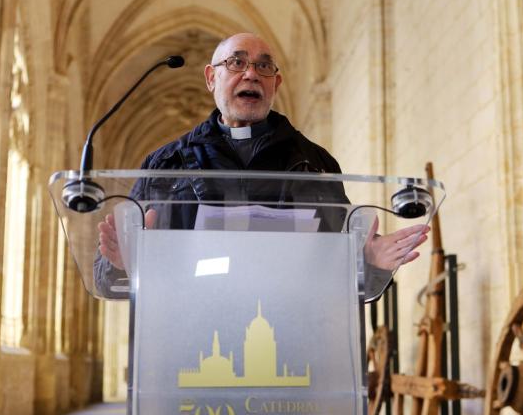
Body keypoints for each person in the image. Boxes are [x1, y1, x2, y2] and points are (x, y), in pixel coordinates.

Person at [96, 33, 428, 290]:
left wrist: (369, 262)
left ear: (275, 84)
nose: (252, 74)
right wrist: (120, 263)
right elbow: (104, 279)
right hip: (190, 347)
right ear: (211, 78)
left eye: (264, 66)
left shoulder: (314, 163)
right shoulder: (165, 165)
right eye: (237, 63)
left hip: (289, 346)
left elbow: (341, 274)